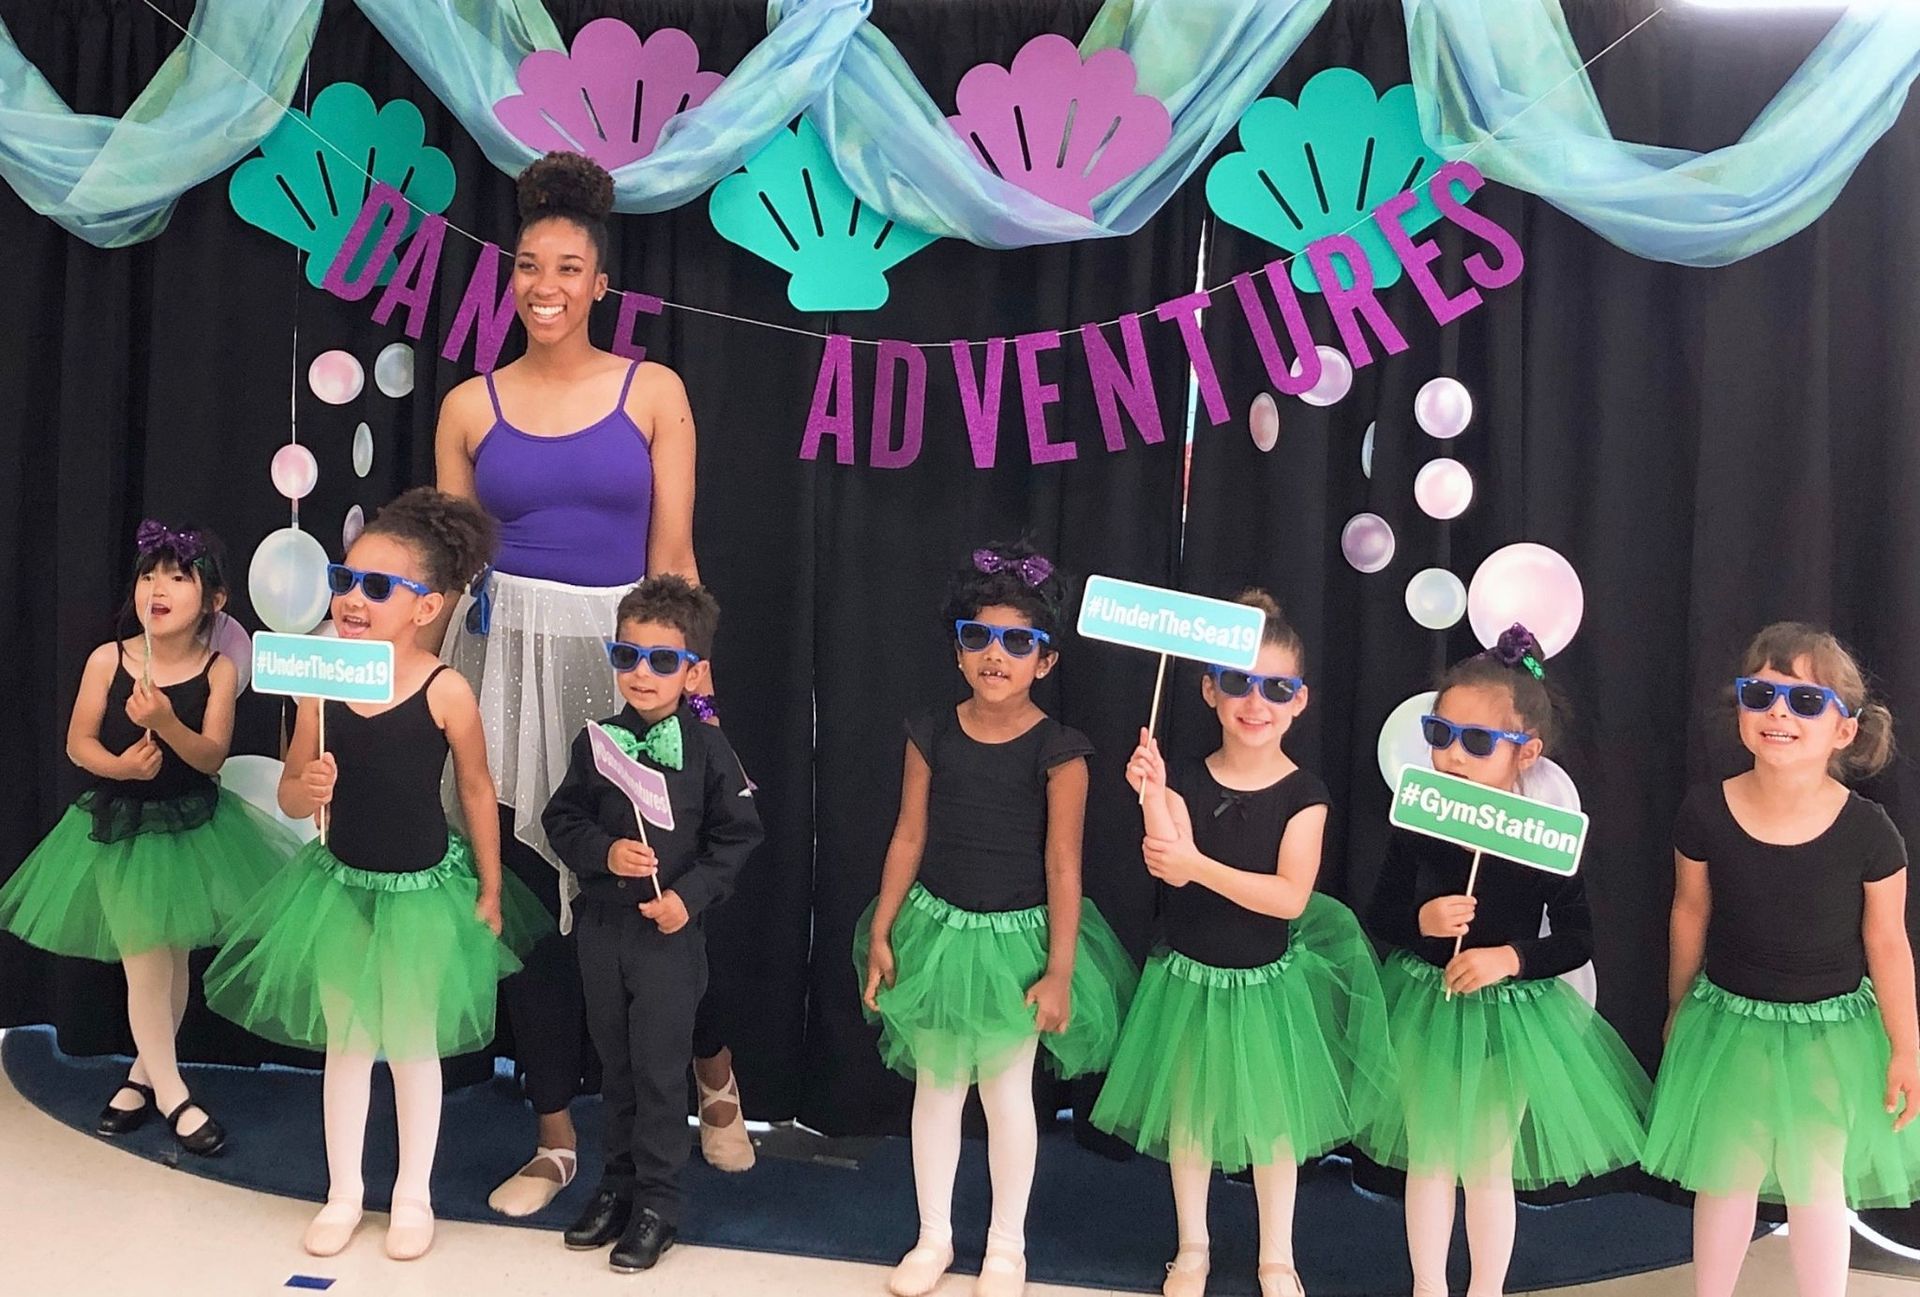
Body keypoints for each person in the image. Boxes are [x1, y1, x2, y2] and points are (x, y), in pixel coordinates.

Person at [434, 149, 752, 1216]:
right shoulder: (468, 405)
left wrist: (690, 698)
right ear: (510, 276)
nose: (546, 285)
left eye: (569, 267)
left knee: (642, 893)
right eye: (529, 265)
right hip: (500, 655)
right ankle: (555, 1136)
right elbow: (446, 568)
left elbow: (678, 560)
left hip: (621, 656)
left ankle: (711, 1074)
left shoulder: (653, 389)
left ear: (599, 283)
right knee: (527, 889)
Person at [204, 489, 546, 1261]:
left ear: (428, 606)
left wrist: (491, 887)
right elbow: (294, 789)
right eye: (344, 579)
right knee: (348, 1047)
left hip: (421, 892)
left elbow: (474, 790)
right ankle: (345, 1191)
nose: (353, 599)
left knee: (415, 1047)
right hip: (338, 888)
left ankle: (413, 1193)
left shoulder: (446, 689)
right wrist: (307, 790)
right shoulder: (323, 677)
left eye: (378, 587)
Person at [856, 543, 1138, 1297]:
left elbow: (1064, 865)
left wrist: (1059, 968)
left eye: (1019, 641)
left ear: (1045, 661)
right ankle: (934, 1235)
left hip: (1020, 944)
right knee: (938, 1089)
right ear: (957, 649)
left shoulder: (1060, 750)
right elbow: (908, 835)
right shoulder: (931, 732)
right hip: (937, 931)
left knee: (1009, 1095)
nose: (996, 654)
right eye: (979, 637)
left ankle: (1006, 1245)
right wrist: (883, 929)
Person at [1093, 592, 1393, 1297]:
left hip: (1268, 984)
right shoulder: (1188, 779)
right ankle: (1192, 1245)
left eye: (1276, 687)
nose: (1255, 701)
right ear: (1208, 688)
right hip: (1190, 980)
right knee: (1191, 1120)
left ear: (1299, 701)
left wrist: (1196, 864)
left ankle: (1277, 1255)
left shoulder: (1306, 794)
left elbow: (1288, 897)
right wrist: (1152, 791)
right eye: (1237, 680)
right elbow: (1165, 857)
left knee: (1274, 1128)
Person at [1361, 626, 1649, 1297]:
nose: (1453, 754)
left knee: (1488, 1163)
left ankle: (1486, 1287)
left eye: (1479, 741)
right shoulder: (1419, 816)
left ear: (1527, 753)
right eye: (1441, 733)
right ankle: (1427, 1285)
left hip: (1513, 1021)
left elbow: (1578, 938)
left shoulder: (1544, 837)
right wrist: (1421, 922)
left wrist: (1512, 957)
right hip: (1428, 1003)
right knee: (1430, 1157)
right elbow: (1380, 914)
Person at [0, 522, 297, 1156]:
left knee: (173, 957)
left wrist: (165, 719)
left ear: (213, 601)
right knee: (144, 965)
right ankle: (173, 1094)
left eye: (178, 576)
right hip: (119, 828)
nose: (156, 587)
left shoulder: (217, 670)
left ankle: (142, 1073)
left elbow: (212, 756)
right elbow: (78, 742)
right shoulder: (108, 659)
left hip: (191, 825)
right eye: (148, 574)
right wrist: (122, 766)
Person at [1644, 622, 1920, 1297]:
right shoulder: (1706, 811)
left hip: (1830, 1033)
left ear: (1844, 730)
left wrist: (1906, 1044)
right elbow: (1690, 910)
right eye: (1760, 693)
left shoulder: (1869, 832)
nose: (1777, 712)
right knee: (1726, 1174)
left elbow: (1887, 939)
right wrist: (1680, 1004)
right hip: (1727, 1021)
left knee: (1818, 1182)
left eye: (1803, 701)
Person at [542, 575, 763, 1273]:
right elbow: (561, 819)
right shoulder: (597, 742)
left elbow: (739, 836)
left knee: (662, 1072)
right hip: (603, 929)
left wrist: (688, 896)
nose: (642, 672)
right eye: (628, 655)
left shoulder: (709, 752)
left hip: (668, 939)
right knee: (616, 1067)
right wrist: (603, 849)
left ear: (692, 669)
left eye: (661, 660)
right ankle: (618, 1184)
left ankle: (660, 1203)